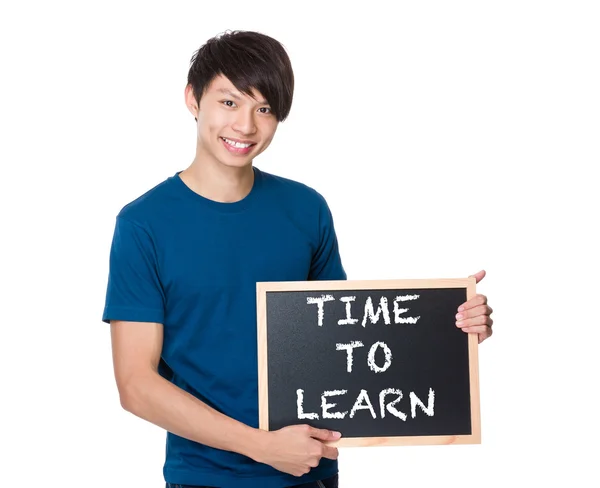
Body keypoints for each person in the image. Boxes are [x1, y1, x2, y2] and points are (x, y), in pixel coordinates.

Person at [102, 30, 494, 488]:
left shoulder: (306, 209)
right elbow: (136, 385)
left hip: (313, 473)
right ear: (193, 99)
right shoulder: (144, 224)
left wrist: (448, 331)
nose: (246, 126)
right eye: (229, 102)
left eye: (264, 108)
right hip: (209, 478)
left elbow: (346, 344)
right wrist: (259, 445)